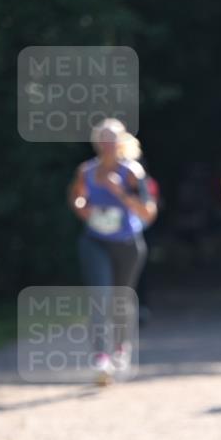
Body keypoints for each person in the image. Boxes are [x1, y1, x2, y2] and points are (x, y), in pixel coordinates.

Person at [68, 119, 157, 384]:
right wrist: (82, 207)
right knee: (100, 296)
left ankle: (121, 347)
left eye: (112, 139)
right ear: (96, 143)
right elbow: (76, 196)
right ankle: (101, 358)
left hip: (128, 244)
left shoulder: (132, 172)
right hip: (95, 241)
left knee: (121, 299)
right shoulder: (86, 170)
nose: (107, 144)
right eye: (103, 139)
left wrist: (119, 192)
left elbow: (148, 213)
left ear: (121, 143)